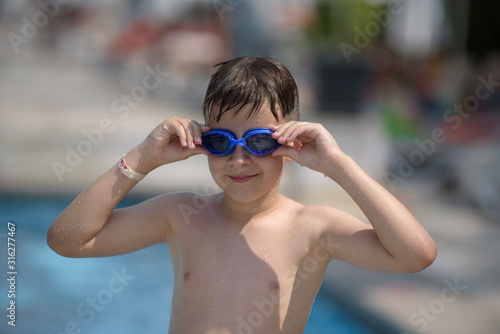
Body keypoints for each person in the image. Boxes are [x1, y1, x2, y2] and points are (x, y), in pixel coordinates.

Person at [47, 56, 437, 334]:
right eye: (220, 141)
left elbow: (415, 253)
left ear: (292, 139)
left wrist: (338, 165)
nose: (238, 159)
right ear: (203, 140)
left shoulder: (314, 229)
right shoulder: (181, 215)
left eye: (260, 141)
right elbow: (66, 240)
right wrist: (140, 158)